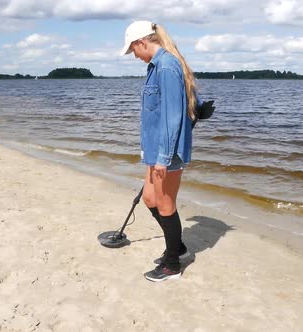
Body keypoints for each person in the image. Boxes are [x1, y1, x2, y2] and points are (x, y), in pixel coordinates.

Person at [120, 20, 197, 282]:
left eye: (134, 51)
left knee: (165, 204)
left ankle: (172, 264)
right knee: (150, 200)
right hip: (155, 149)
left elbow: (173, 116)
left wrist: (164, 157)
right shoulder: (156, 67)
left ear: (142, 42)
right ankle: (179, 247)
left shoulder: (166, 66)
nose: (135, 57)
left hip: (167, 151)